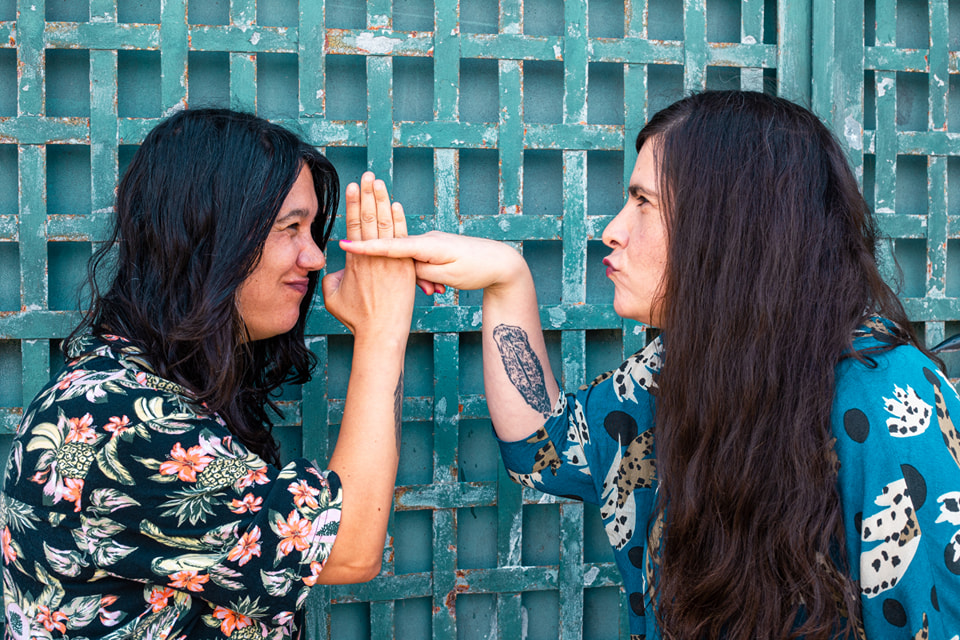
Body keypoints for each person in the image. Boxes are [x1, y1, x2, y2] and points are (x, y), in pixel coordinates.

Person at [341, 91, 960, 639]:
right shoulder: (681, 368)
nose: (611, 231)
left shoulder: (883, 394)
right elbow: (544, 448)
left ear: (732, 226)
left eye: (643, 203)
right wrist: (507, 277)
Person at [0, 109, 415, 639]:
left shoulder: (151, 386)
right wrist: (382, 332)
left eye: (311, 230)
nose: (314, 258)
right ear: (209, 238)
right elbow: (347, 551)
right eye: (291, 228)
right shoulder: (117, 420)